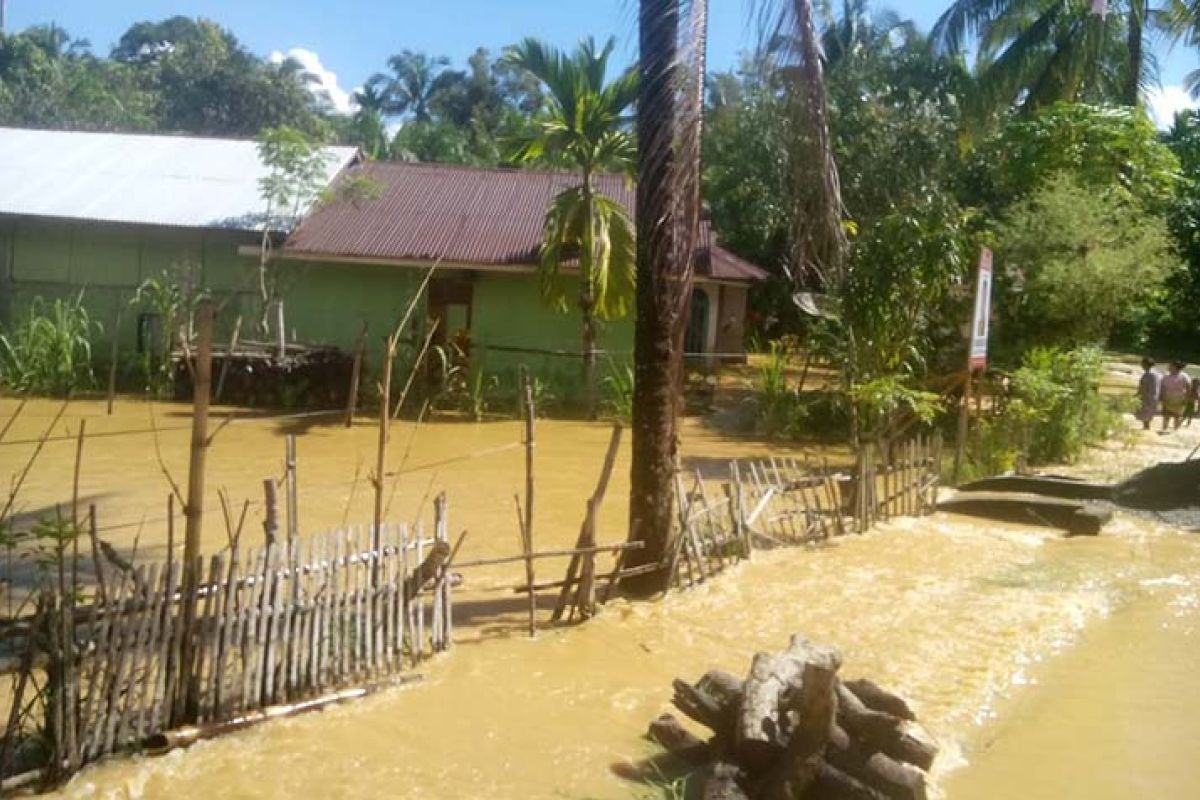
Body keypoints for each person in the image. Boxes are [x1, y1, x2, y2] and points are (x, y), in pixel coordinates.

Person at [1160, 361, 1191, 431]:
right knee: (1166, 415)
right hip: (1168, 398)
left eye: (1170, 366)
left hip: (1179, 399)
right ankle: (1164, 428)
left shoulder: (1184, 376)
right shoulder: (1166, 376)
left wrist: (1186, 400)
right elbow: (1162, 388)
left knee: (1177, 416)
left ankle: (1175, 429)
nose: (1169, 367)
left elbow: (1188, 388)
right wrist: (1162, 397)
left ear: (1176, 367)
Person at [1136, 357, 1161, 430]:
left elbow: (1143, 386)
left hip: (1147, 396)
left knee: (1144, 413)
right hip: (1155, 396)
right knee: (1149, 413)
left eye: (1142, 364)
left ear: (1145, 364)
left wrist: (1137, 395)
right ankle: (1147, 428)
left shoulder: (1147, 374)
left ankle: (1146, 428)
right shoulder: (1157, 373)